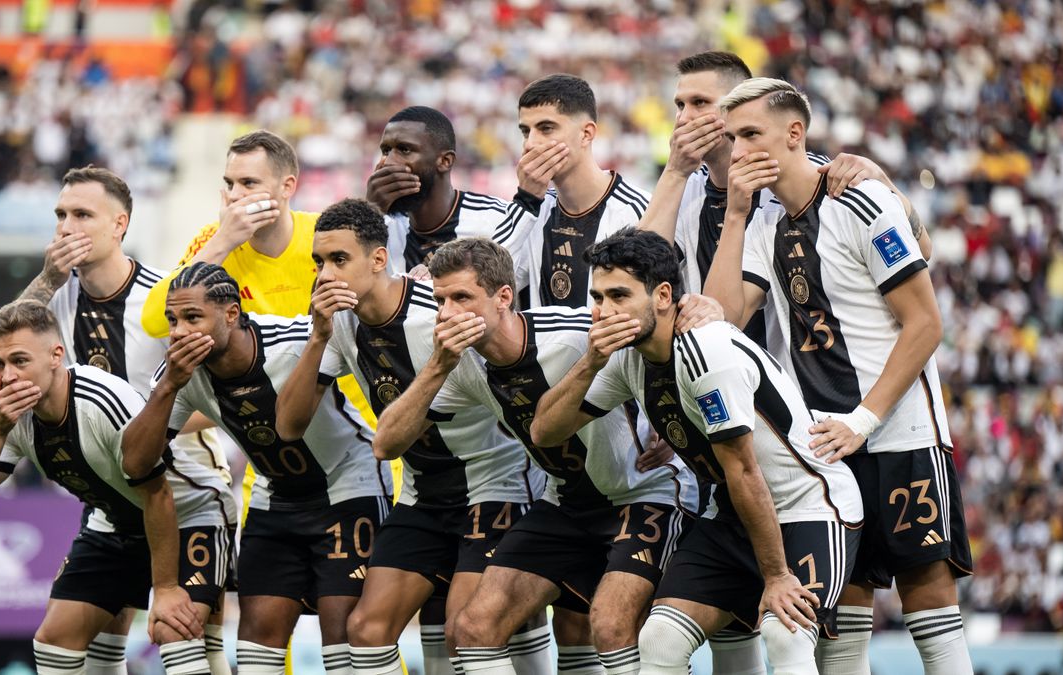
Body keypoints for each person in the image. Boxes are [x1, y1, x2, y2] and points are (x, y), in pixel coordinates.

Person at [704, 78, 973, 674]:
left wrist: (863, 418)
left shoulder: (861, 200)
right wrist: (736, 214)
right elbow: (718, 320)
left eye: (751, 134)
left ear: (794, 134)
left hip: (901, 434)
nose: (738, 149)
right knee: (840, 622)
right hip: (826, 446)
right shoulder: (762, 221)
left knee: (929, 605)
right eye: (732, 138)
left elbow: (926, 324)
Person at [532, 229, 864, 674]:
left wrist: (777, 575)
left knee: (784, 636)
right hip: (732, 513)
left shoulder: (706, 352)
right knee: (660, 641)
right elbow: (545, 431)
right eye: (597, 297)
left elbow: (746, 471)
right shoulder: (627, 358)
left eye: (619, 296)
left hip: (808, 506)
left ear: (663, 294)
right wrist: (590, 362)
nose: (604, 312)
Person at [372, 237, 699, 675]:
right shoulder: (462, 364)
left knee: (610, 624)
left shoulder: (572, 332)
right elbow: (386, 444)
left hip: (645, 494)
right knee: (472, 629)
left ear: (503, 297)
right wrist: (436, 367)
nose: (447, 314)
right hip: (564, 503)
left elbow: (661, 325)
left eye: (462, 298)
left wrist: (700, 312)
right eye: (441, 300)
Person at [274, 200, 548, 675]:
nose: (324, 275)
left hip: (493, 484)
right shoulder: (338, 324)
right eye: (318, 263)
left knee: (469, 631)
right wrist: (317, 337)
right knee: (366, 631)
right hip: (422, 494)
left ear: (379, 260)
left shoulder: (439, 314)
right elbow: (288, 427)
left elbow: (516, 399)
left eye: (339, 260)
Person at [122, 263, 392, 675]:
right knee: (254, 650)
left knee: (343, 638)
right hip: (277, 496)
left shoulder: (293, 342)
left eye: (192, 318)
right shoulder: (183, 373)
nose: (177, 332)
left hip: (347, 488)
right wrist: (169, 387)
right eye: (172, 320)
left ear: (231, 314)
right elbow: (136, 462)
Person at [17, 165, 233, 673]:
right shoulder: (53, 304)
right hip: (112, 503)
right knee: (65, 640)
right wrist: (46, 277)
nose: (67, 226)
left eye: (82, 215)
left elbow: (221, 400)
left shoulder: (166, 301)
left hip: (189, 495)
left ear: (120, 225)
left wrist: (146, 423)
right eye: (61, 215)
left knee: (185, 636)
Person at [0, 300, 235, 675]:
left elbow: (159, 494)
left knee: (175, 631)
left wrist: (164, 588)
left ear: (56, 356)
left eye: (20, 361)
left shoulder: (100, 400)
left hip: (187, 515)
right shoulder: (8, 418)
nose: (6, 376)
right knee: (54, 640)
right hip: (115, 521)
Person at [139, 130, 378, 519]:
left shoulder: (326, 239)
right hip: (271, 461)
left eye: (249, 183)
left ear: (287, 187)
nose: (235, 195)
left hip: (356, 450)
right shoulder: (215, 245)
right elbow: (153, 321)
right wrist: (222, 242)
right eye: (229, 184)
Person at [638, 51, 928, 350]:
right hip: (720, 367)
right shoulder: (684, 190)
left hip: (800, 376)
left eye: (699, 103)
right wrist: (674, 172)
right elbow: (640, 278)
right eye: (679, 105)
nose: (684, 118)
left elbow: (921, 250)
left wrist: (885, 184)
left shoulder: (799, 178)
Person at [494, 74, 652, 310]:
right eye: (526, 132)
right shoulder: (530, 211)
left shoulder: (639, 211)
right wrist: (525, 201)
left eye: (546, 128)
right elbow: (489, 289)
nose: (530, 144)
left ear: (586, 134)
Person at [365, 106, 542, 276]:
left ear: (445, 161)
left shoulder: (495, 221)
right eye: (385, 151)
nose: (387, 162)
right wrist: (369, 213)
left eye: (404, 150)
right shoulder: (381, 227)